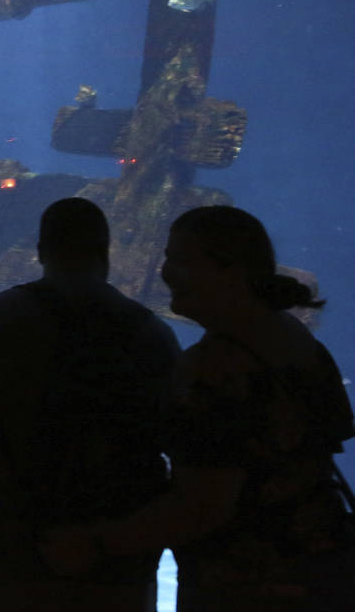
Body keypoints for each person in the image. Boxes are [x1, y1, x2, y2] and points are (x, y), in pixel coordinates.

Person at [39, 205, 355, 612]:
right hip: (322, 568)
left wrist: (96, 542)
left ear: (232, 271)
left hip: (245, 584)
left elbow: (202, 506)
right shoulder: (300, 342)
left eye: (181, 260)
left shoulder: (212, 369)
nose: (164, 271)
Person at [0, 197, 180, 612]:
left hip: (17, 540)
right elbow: (177, 446)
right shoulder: (152, 333)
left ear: (41, 251)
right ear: (105, 252)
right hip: (115, 554)